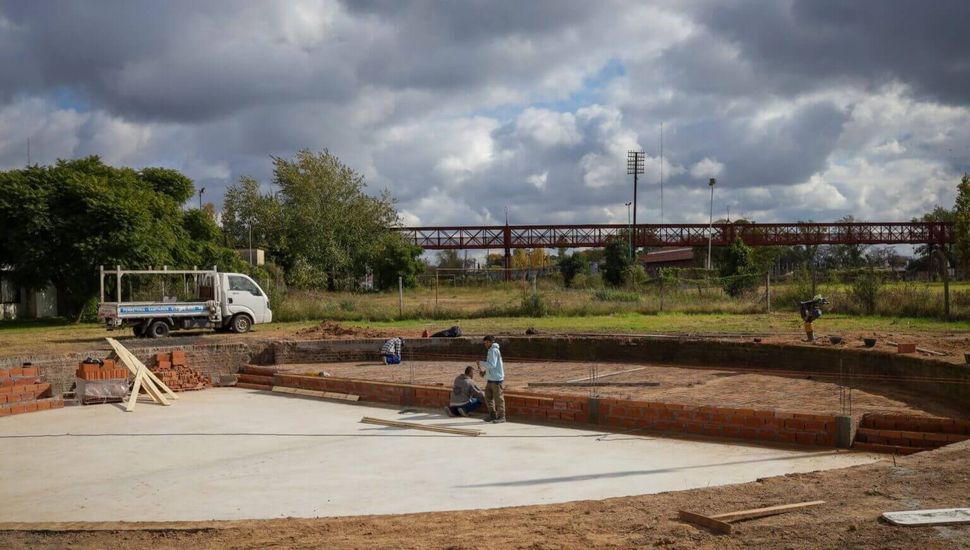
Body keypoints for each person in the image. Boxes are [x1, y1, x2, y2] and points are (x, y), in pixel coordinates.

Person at [477, 335, 506, 423]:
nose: (485, 344)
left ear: (490, 342)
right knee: (488, 397)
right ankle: (492, 415)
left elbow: (492, 364)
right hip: (491, 379)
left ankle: (501, 417)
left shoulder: (493, 351)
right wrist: (485, 373)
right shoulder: (491, 350)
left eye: (486, 342)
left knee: (498, 399)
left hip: (496, 379)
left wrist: (481, 363)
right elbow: (491, 365)